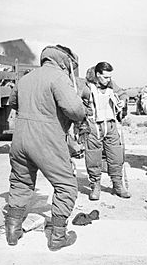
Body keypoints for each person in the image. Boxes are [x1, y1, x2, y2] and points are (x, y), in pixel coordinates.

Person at [5, 45, 86, 251]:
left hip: (20, 138)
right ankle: (58, 237)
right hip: (47, 139)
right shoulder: (59, 77)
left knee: (21, 182)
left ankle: (13, 231)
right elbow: (75, 110)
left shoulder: (26, 78)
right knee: (66, 185)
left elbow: (13, 102)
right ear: (65, 61)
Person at [80, 62, 131, 201]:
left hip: (111, 126)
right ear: (97, 75)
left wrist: (122, 102)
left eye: (110, 77)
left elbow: (123, 94)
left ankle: (118, 184)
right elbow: (76, 104)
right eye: (106, 77)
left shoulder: (111, 85)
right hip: (93, 128)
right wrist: (84, 110)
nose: (109, 80)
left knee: (116, 157)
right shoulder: (86, 88)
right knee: (93, 158)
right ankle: (95, 186)